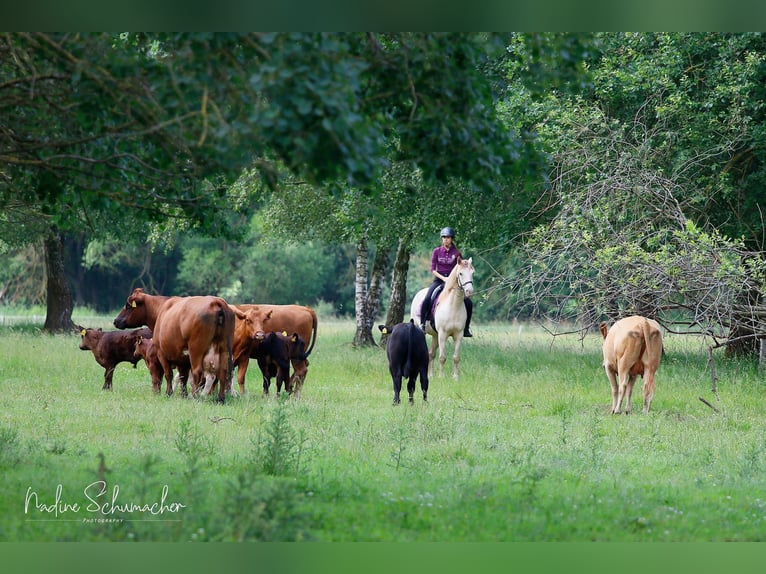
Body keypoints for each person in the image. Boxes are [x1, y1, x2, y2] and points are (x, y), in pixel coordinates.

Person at [419, 226, 473, 337]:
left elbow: (461, 266)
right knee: (428, 298)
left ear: (452, 239)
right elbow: (433, 269)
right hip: (439, 280)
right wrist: (444, 279)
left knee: (468, 302)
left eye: (448, 237)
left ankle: (466, 328)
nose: (445, 239)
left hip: (453, 282)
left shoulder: (457, 253)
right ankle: (423, 323)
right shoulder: (437, 251)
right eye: (443, 237)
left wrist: (468, 265)